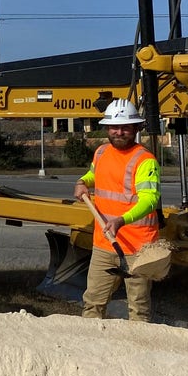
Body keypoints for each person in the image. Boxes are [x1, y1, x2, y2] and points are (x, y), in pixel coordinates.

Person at [72, 98, 162, 322]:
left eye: (125, 127)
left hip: (138, 248)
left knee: (138, 308)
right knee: (93, 302)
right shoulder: (101, 153)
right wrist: (82, 181)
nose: (119, 132)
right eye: (114, 127)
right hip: (105, 244)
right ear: (106, 128)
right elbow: (94, 175)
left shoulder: (145, 161)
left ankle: (138, 351)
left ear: (136, 128)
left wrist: (122, 220)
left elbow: (150, 200)